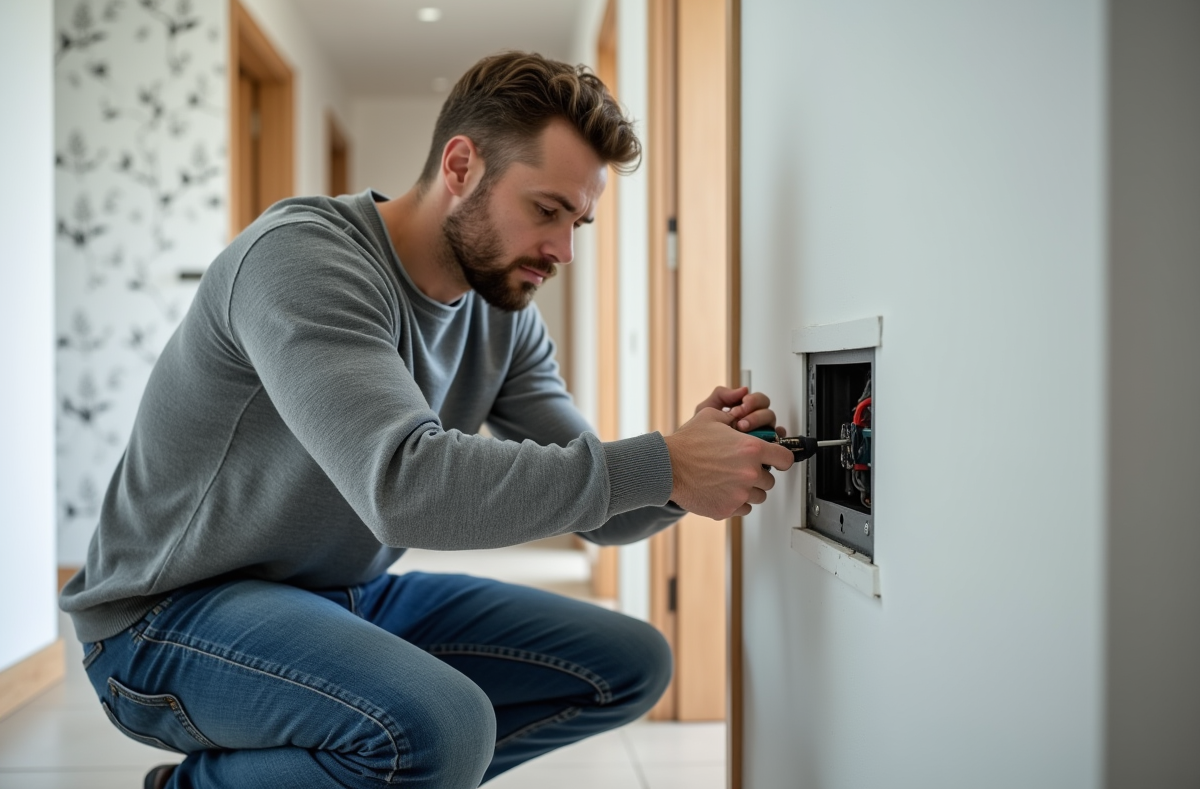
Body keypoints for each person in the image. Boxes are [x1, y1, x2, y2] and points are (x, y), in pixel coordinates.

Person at [60, 51, 793, 789]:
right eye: (545, 210)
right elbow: (405, 487)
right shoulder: (302, 258)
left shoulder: (502, 317)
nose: (562, 251)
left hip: (338, 598)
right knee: (440, 727)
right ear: (461, 164)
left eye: (579, 221)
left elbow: (604, 508)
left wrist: (688, 472)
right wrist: (665, 461)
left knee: (628, 664)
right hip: (165, 621)